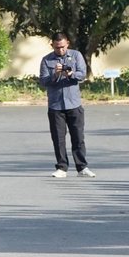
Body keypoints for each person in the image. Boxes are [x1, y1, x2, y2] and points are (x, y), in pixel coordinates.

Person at [40, 31, 93, 178]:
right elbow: (43, 81)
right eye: (57, 47)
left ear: (67, 43)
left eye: (63, 47)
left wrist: (71, 74)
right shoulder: (46, 60)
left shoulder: (76, 55)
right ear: (52, 45)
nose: (60, 50)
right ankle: (62, 167)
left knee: (78, 137)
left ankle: (82, 167)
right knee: (58, 139)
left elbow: (82, 74)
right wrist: (55, 75)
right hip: (56, 106)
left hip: (74, 104)